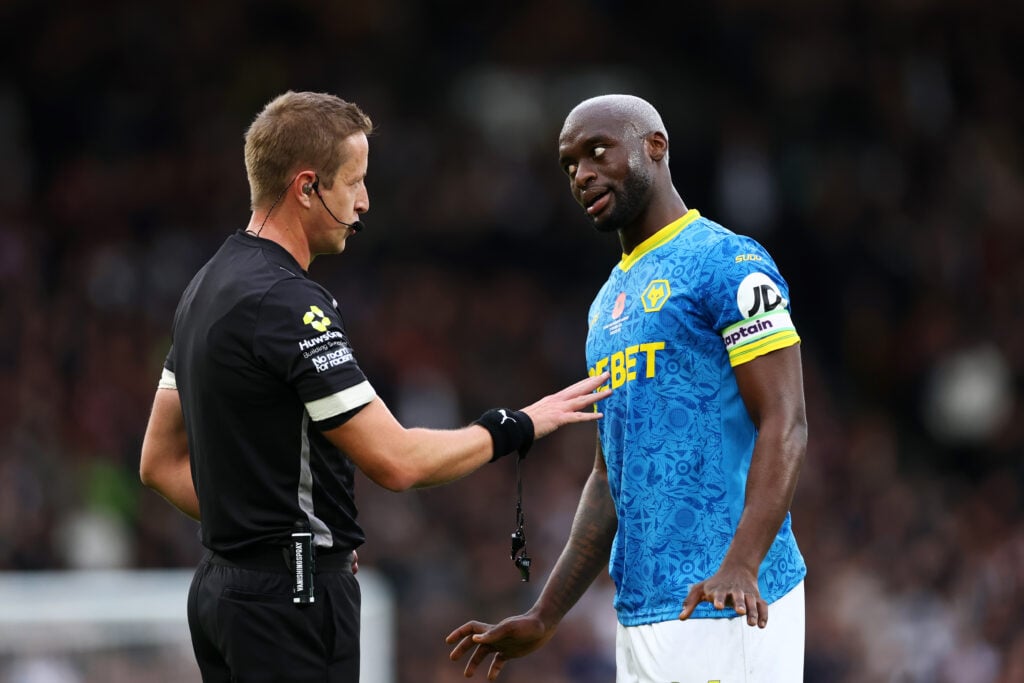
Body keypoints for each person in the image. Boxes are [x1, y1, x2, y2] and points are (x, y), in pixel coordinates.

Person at [138, 90, 610, 683]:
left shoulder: (204, 286)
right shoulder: (287, 303)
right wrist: (519, 423)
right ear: (307, 187)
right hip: (293, 604)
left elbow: (157, 462)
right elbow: (397, 461)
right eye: (353, 182)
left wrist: (262, 537)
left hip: (221, 592)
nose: (364, 202)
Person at [447, 93, 809, 682]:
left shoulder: (729, 262)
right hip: (640, 615)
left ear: (654, 148)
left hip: (729, 604)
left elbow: (785, 420)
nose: (582, 175)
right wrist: (546, 614)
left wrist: (742, 563)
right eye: (569, 165)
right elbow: (608, 474)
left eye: (597, 152)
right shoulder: (604, 306)